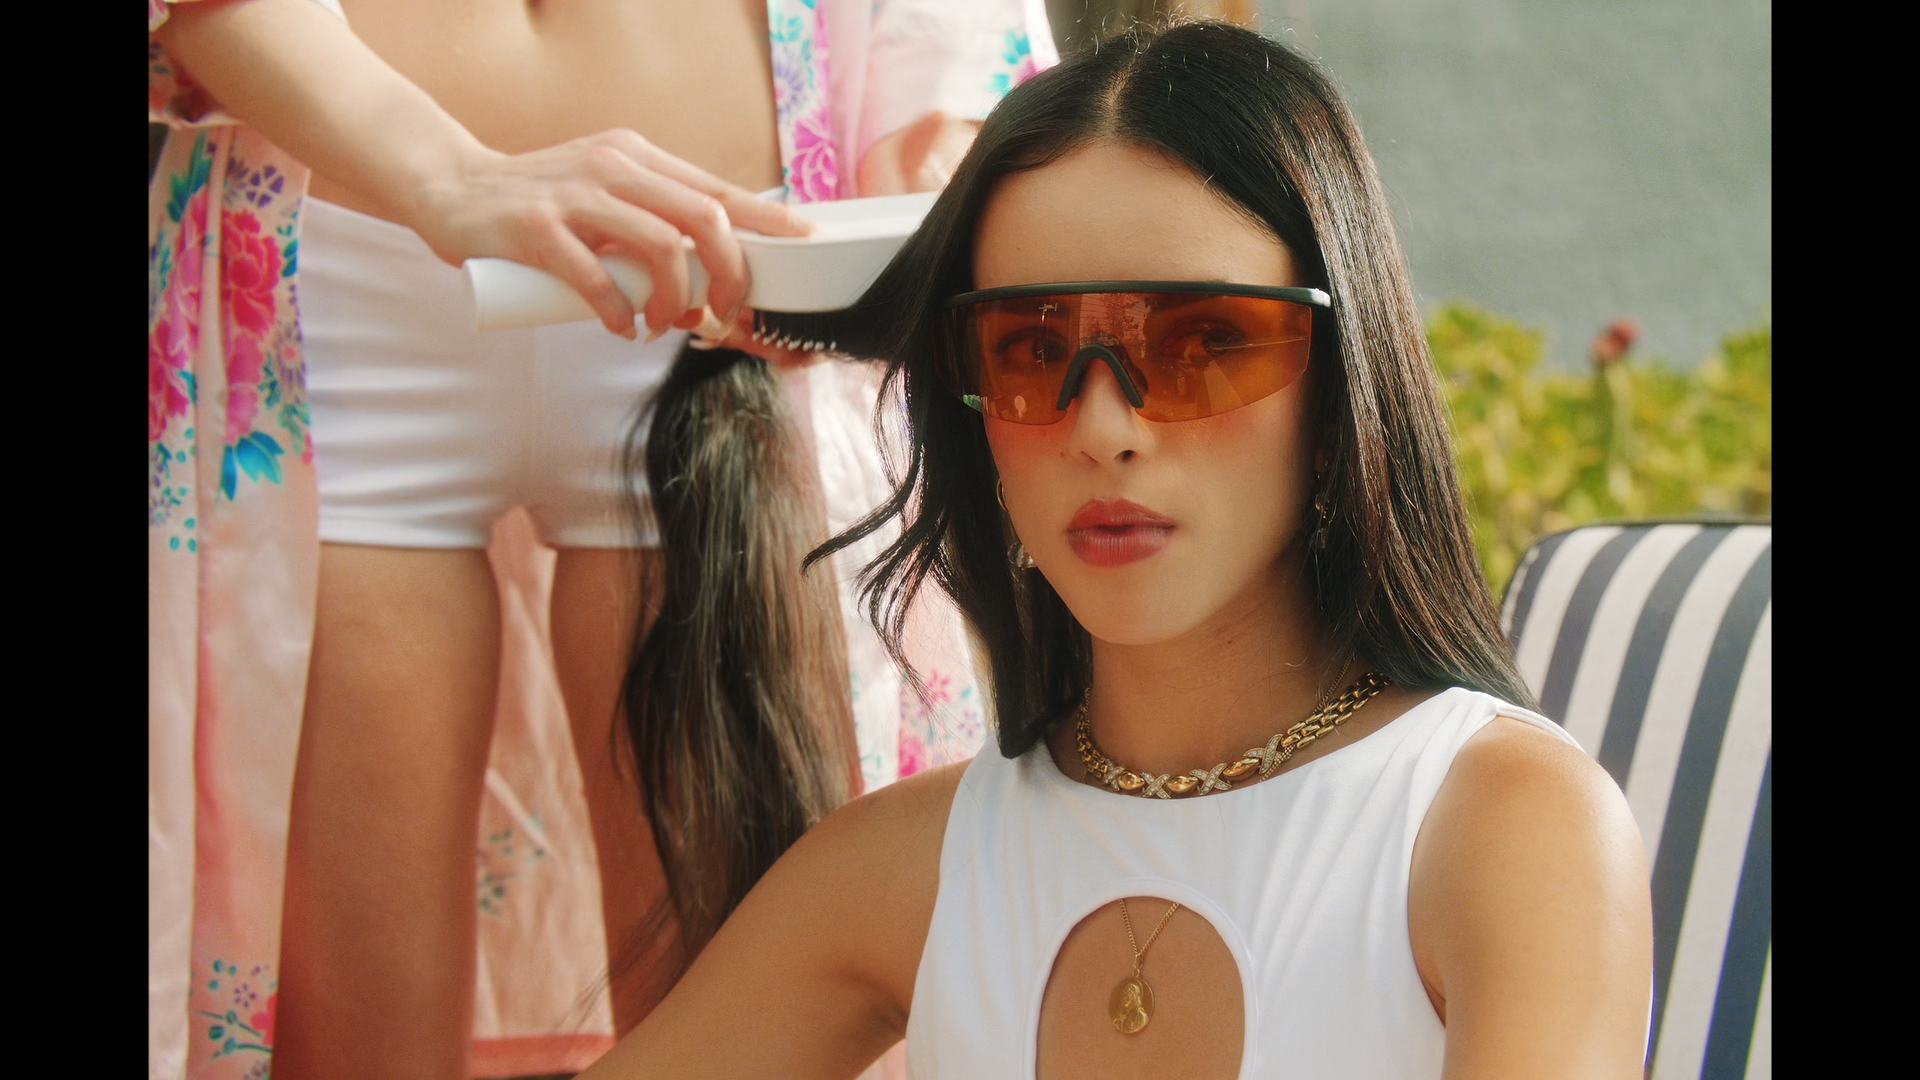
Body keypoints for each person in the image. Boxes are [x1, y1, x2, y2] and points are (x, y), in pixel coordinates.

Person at [581, 20, 1654, 1079]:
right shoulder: (905, 869)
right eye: (1031, 347)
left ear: (1339, 395)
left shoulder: (1502, 832)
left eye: (1203, 343)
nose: (1102, 428)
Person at [146, 1, 1051, 1075]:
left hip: (734, 285)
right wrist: (444, 170)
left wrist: (936, 168)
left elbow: (940, 61)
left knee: (758, 1029)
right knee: (349, 1048)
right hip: (338, 268)